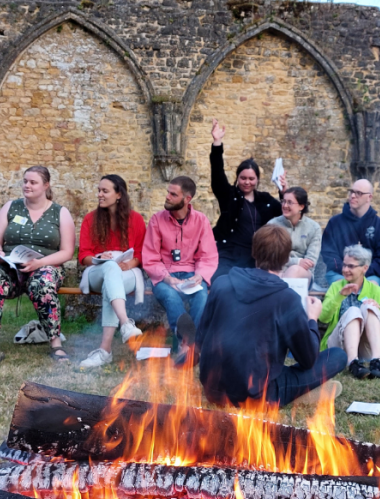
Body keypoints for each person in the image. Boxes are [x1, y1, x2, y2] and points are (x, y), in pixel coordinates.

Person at [197, 225, 346, 407]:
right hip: (256, 396)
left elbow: (200, 338)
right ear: (286, 259)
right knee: (338, 356)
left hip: (213, 391)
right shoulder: (287, 298)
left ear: (254, 251)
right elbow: (308, 359)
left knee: (263, 365)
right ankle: (300, 394)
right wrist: (312, 318)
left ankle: (299, 392)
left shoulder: (221, 284)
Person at [0, 166, 76, 368]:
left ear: (46, 185)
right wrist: (1, 255)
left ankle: (56, 344)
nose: (27, 186)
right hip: (11, 266)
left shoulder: (60, 212)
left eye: (33, 182)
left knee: (43, 284)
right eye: (25, 181)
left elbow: (67, 252)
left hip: (45, 265)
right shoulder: (11, 207)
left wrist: (39, 263)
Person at [76, 174, 146, 368]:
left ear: (118, 195)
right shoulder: (90, 219)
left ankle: (105, 351)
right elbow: (84, 255)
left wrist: (130, 264)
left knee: (111, 284)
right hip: (97, 271)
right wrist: (100, 258)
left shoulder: (136, 220)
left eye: (104, 191)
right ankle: (126, 323)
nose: (99, 194)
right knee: (109, 268)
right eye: (98, 190)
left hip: (128, 273)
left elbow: (140, 252)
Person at [142, 176, 218, 348]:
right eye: (168, 192)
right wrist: (167, 278)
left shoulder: (201, 220)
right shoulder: (157, 219)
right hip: (164, 276)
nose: (167, 196)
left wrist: (200, 276)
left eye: (173, 194)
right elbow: (150, 257)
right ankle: (187, 342)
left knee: (202, 296)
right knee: (170, 296)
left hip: (191, 273)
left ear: (187, 199)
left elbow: (208, 255)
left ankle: (189, 345)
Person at [209, 119, 286, 283]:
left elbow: (286, 213)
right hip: (230, 253)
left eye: (251, 178)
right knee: (221, 282)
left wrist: (283, 191)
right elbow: (217, 175)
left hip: (258, 256)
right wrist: (217, 143)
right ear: (237, 178)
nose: (247, 182)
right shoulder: (229, 195)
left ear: (257, 180)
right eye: (243, 178)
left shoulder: (265, 200)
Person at [319, 244, 380, 379]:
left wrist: (378, 308)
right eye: (344, 265)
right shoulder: (336, 287)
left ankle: (377, 361)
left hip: (369, 348)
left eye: (351, 266)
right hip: (341, 348)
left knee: (370, 307)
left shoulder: (375, 290)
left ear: (365, 268)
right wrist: (340, 295)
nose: (345, 269)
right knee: (353, 311)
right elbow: (323, 318)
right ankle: (353, 363)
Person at [319, 179, 380, 288]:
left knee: (371, 287)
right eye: (351, 192)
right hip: (339, 273)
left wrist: (361, 273)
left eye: (358, 193)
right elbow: (329, 253)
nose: (353, 196)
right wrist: (347, 270)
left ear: (369, 197)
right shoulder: (335, 223)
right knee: (341, 286)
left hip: (370, 275)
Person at [267, 187, 321, 281]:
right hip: (277, 269)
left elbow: (310, 262)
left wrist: (296, 265)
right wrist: (297, 261)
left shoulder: (314, 228)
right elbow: (270, 257)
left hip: (302, 273)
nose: (285, 205)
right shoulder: (272, 225)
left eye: (289, 202)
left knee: (294, 270)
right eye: (283, 201)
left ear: (301, 206)